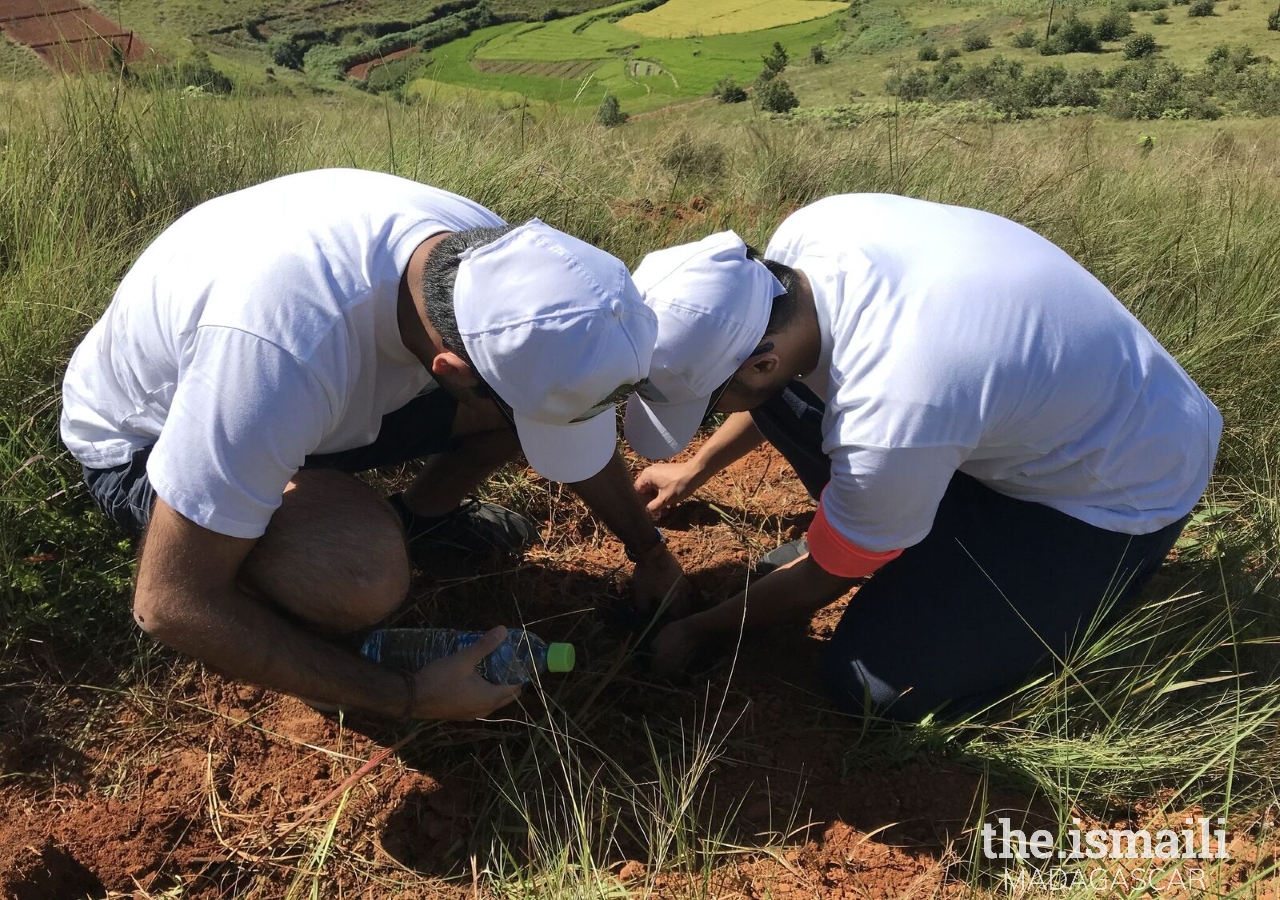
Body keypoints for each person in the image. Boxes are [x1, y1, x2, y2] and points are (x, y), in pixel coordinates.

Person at [61, 168, 685, 722]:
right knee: (357, 572)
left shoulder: (500, 267)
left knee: (498, 421)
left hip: (292, 399)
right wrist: (405, 695)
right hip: (149, 438)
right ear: (451, 373)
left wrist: (649, 551)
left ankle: (422, 524)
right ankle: (288, 611)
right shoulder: (276, 355)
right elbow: (170, 602)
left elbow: (551, 403)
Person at [626, 197, 1222, 720]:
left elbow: (827, 577)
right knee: (796, 409)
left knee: (877, 687)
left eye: (707, 400)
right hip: (1033, 415)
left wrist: (701, 628)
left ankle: (1047, 583)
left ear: (760, 360)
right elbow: (775, 389)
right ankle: (890, 526)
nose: (706, 414)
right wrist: (695, 468)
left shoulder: (895, 403)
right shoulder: (804, 249)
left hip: (1112, 490)